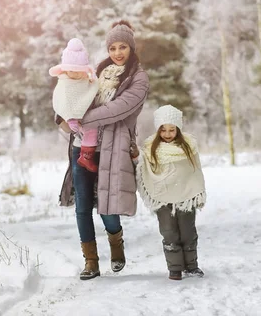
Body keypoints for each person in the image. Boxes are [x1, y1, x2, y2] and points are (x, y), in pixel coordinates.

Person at [57, 20, 150, 280]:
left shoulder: (138, 78)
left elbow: (118, 109)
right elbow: (71, 92)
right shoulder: (97, 71)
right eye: (112, 47)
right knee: (83, 206)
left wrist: (79, 119)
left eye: (122, 47)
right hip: (80, 146)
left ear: (131, 48)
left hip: (111, 147)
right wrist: (62, 115)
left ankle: (116, 244)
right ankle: (91, 262)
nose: (117, 52)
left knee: (108, 208)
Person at [136, 105, 207, 281]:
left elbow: (195, 171)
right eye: (163, 130)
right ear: (158, 129)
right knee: (169, 232)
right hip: (161, 197)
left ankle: (192, 266)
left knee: (187, 231)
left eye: (172, 130)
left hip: (185, 195)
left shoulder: (189, 147)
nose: (168, 134)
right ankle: (175, 268)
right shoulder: (150, 149)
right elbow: (146, 170)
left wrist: (196, 190)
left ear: (178, 129)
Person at [49, 38, 100, 173]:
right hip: (72, 123)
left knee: (91, 132)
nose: (76, 74)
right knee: (87, 133)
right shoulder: (64, 83)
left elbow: (90, 91)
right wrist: (70, 118)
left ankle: (86, 156)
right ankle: (86, 156)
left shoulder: (84, 80)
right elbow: (63, 102)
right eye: (72, 70)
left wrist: (92, 81)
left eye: (79, 70)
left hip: (88, 118)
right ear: (65, 70)